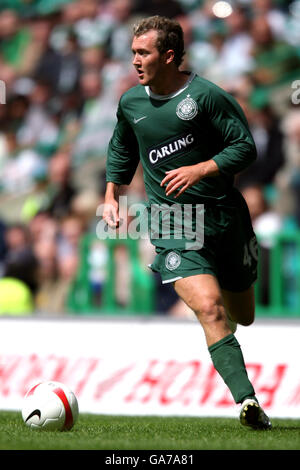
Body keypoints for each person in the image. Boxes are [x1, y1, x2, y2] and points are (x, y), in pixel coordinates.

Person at [103, 15, 271, 430]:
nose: (135, 61)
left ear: (170, 55)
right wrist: (112, 193)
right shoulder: (131, 102)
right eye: (133, 53)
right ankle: (247, 401)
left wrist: (201, 169)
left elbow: (245, 148)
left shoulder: (208, 97)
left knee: (241, 315)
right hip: (173, 224)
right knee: (211, 310)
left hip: (223, 219)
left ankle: (226, 338)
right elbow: (123, 145)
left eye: (143, 53)